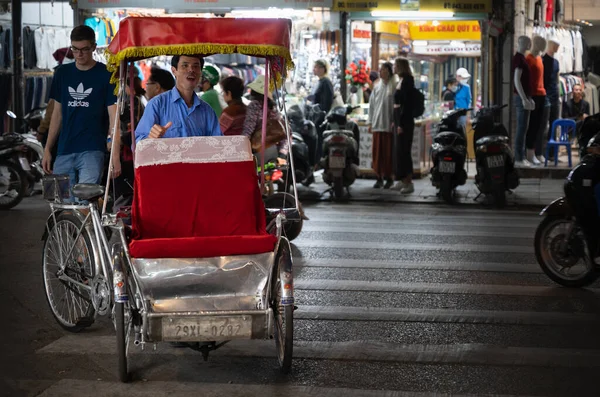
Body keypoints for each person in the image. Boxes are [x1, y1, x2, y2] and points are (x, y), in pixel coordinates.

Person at [41, 25, 120, 194]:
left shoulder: (106, 74)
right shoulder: (62, 73)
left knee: (86, 204)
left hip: (92, 149)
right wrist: (47, 149)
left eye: (84, 49)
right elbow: (57, 113)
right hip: (64, 149)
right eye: (75, 49)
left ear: (93, 47)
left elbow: (114, 117)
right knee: (62, 205)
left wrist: (115, 154)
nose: (79, 54)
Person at [135, 54, 222, 143]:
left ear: (200, 72)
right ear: (174, 70)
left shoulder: (207, 111)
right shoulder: (157, 105)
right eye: (185, 65)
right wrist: (150, 138)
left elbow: (218, 145)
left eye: (196, 66)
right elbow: (138, 144)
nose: (191, 70)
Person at [242, 75, 288, 165]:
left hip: (258, 150)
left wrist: (241, 148)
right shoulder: (273, 107)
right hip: (273, 150)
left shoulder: (254, 105)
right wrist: (283, 153)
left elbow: (248, 129)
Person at [368, 62, 397, 189]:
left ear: (390, 72)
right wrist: (370, 122)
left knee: (388, 153)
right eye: (381, 70)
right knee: (377, 153)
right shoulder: (377, 86)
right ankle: (378, 177)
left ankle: (389, 177)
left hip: (388, 125)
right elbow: (372, 106)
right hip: (377, 124)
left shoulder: (394, 86)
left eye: (385, 70)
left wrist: (395, 121)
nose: (382, 72)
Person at [391, 58, 415, 194]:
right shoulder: (400, 80)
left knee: (404, 151)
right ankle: (401, 179)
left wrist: (401, 123)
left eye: (395, 65)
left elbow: (406, 104)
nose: (393, 67)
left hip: (405, 121)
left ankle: (408, 181)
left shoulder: (407, 81)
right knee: (398, 151)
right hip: (398, 119)